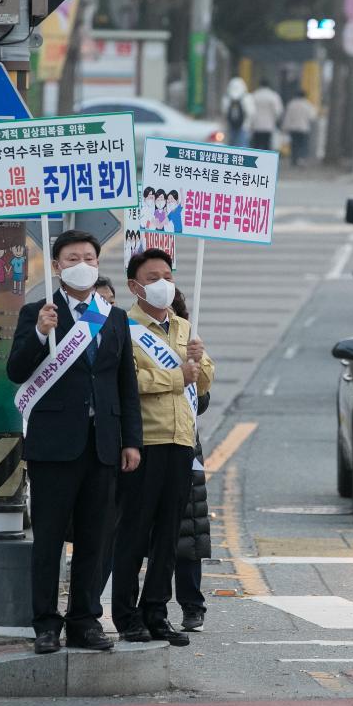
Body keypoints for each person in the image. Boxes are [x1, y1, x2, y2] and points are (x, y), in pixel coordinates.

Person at [6, 230, 143, 655]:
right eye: (72, 257)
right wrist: (38, 334)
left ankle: (85, 621)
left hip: (102, 444)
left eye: (88, 256)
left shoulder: (114, 317)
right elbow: (16, 370)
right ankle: (46, 624)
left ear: (98, 263)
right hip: (53, 445)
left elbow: (125, 385)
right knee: (47, 538)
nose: (81, 263)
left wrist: (131, 441)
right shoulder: (38, 312)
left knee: (94, 537)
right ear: (56, 266)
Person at [112, 249, 214, 647]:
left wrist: (198, 362)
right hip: (144, 442)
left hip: (180, 442)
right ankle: (126, 615)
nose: (163, 284)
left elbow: (202, 383)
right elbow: (130, 380)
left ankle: (157, 611)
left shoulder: (184, 327)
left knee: (169, 536)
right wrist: (177, 375)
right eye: (153, 277)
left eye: (167, 275)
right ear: (135, 286)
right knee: (134, 534)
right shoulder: (122, 326)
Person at [170, 289, 210, 633]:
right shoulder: (132, 334)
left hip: (185, 448)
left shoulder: (188, 340)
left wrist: (197, 365)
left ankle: (192, 606)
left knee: (187, 535)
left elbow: (202, 401)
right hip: (145, 446)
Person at [282, 93, 318, 168]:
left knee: (294, 144)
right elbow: (312, 116)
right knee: (303, 144)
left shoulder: (291, 104)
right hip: (304, 128)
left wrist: (285, 127)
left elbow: (288, 116)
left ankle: (294, 159)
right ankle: (301, 159)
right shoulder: (307, 104)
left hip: (293, 128)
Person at [249, 79, 284, 151]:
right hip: (269, 126)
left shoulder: (254, 95)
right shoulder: (273, 96)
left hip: (256, 126)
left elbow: (250, 111)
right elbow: (278, 111)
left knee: (256, 146)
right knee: (267, 146)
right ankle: (265, 161)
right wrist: (276, 121)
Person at [223, 77, 255, 148]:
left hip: (230, 127)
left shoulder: (227, 97)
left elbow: (224, 112)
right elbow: (251, 113)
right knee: (243, 147)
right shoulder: (247, 97)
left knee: (230, 147)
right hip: (244, 127)